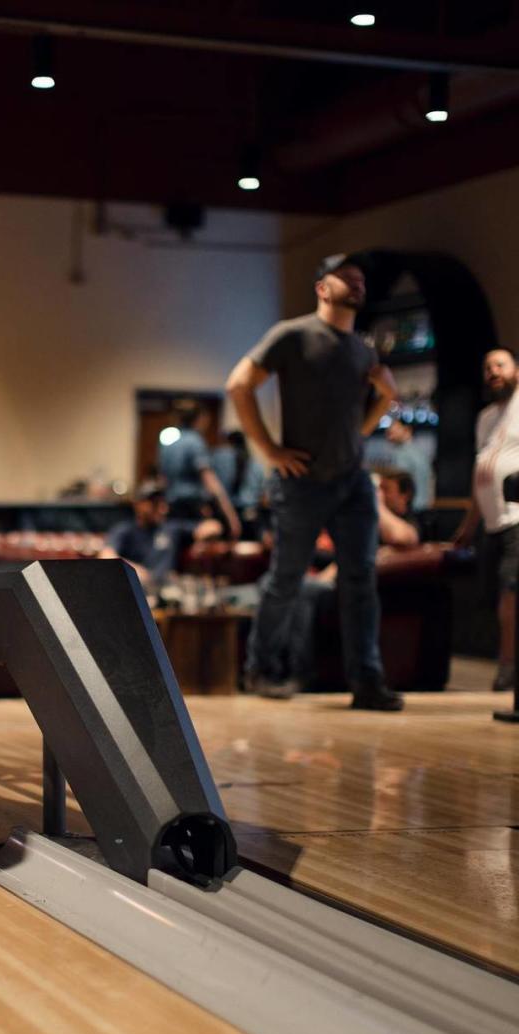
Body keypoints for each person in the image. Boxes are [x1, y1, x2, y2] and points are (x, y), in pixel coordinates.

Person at [226, 252, 403, 710]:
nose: (358, 283)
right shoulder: (293, 335)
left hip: (353, 481)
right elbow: (239, 385)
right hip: (302, 481)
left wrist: (386, 398)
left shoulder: (363, 350)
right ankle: (261, 670)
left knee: (361, 580)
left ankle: (367, 682)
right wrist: (268, 450)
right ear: (322, 287)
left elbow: (357, 426)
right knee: (286, 578)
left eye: (361, 277)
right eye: (347, 277)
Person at [454, 347, 519, 691]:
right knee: (495, 598)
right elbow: (481, 474)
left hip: (518, 519)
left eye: (500, 365)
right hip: (492, 524)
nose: (493, 371)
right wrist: (468, 526)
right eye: (487, 366)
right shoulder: (484, 419)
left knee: (511, 593)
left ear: (517, 372)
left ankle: (507, 668)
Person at [99, 482, 220, 585]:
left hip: (167, 591)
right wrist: (134, 571)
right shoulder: (125, 530)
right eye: (155, 504)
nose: (162, 509)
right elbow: (106, 556)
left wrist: (202, 541)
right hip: (137, 590)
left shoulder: (172, 528)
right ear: (139, 505)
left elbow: (213, 527)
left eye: (163, 503)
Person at [159, 401, 241, 539]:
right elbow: (210, 481)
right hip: (192, 510)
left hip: (171, 508)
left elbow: (163, 479)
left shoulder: (169, 443)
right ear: (200, 418)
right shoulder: (195, 441)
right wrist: (231, 516)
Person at [364, 419, 433, 512]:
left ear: (407, 430)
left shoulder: (402, 453)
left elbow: (397, 480)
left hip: (408, 508)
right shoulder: (420, 452)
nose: (389, 433)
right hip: (424, 508)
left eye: (394, 428)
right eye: (388, 431)